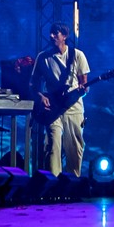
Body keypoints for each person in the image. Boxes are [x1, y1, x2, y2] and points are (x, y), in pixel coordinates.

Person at [29, 22, 90, 177]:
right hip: (52, 108)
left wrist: (81, 90)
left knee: (74, 149)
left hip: (73, 108)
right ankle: (53, 182)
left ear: (65, 36)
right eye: (51, 33)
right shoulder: (43, 57)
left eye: (56, 33)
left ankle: (73, 183)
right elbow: (33, 85)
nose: (52, 36)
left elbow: (84, 86)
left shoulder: (77, 55)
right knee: (52, 145)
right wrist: (41, 97)